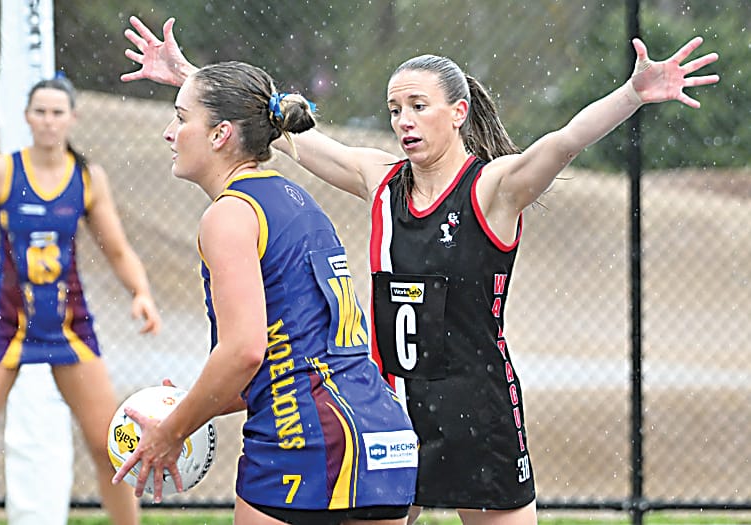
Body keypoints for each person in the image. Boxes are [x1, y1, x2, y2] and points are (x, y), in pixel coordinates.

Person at [121, 16, 720, 525]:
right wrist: (191, 77)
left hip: (474, 408)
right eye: (394, 109)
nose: (403, 120)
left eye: (418, 106)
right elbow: (268, 129)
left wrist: (632, 94)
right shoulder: (381, 182)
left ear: (457, 113)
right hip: (392, 409)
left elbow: (562, 143)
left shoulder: (492, 189)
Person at [111, 60, 418, 525]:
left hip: (306, 437)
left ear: (220, 135)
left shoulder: (230, 215)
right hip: (380, 430)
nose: (169, 132)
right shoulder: (295, 200)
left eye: (181, 117)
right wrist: (197, 402)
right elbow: (294, 353)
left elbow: (244, 352)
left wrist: (171, 432)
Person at [0, 76, 162, 525]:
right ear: (27, 117)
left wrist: (142, 293)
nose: (49, 121)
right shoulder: (1, 171)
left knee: (110, 444)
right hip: (3, 324)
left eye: (57, 112)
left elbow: (118, 250)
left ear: (73, 118)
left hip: (68, 325)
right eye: (40, 112)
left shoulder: (88, 177)